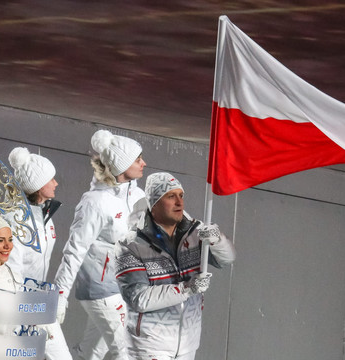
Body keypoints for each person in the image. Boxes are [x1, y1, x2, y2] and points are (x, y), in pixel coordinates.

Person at [115, 172, 236, 360]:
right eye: (171, 196)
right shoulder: (131, 245)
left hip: (188, 343)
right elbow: (138, 298)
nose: (179, 202)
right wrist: (187, 289)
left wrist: (217, 240)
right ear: (154, 203)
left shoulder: (196, 232)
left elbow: (226, 259)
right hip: (149, 346)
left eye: (181, 195)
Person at [54, 129, 147, 360]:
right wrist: (59, 296)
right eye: (138, 159)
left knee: (91, 353)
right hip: (100, 290)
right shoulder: (94, 203)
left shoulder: (138, 196)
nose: (144, 163)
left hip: (123, 287)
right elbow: (74, 250)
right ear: (122, 166)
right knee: (127, 352)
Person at [7, 146, 71, 359]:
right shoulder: (15, 222)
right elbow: (11, 272)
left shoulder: (45, 216)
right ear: (35, 186)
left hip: (39, 301)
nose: (56, 183)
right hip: (20, 307)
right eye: (50, 179)